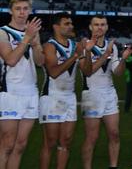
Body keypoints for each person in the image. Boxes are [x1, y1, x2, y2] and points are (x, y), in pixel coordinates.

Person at [39, 13, 92, 169]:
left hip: (69, 97)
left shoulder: (75, 45)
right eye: (67, 23)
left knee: (66, 141)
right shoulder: (50, 46)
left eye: (71, 23)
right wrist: (75, 55)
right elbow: (54, 72)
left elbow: (87, 72)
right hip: (52, 96)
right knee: (50, 142)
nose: (71, 26)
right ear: (56, 27)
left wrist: (86, 52)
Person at [80, 15, 131, 169]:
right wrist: (104, 54)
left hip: (109, 93)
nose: (99, 27)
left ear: (107, 27)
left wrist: (123, 59)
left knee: (114, 134)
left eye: (103, 24)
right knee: (92, 137)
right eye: (96, 24)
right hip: (91, 94)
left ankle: (113, 166)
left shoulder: (112, 47)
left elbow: (117, 73)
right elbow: (87, 71)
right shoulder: (83, 45)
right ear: (90, 27)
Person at [0, 0, 45, 169]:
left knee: (20, 146)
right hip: (10, 92)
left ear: (30, 11)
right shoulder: (3, 32)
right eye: (18, 8)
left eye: (25, 8)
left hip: (30, 92)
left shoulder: (34, 32)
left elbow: (40, 62)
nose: (22, 12)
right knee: (7, 144)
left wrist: (35, 45)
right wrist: (27, 38)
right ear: (11, 11)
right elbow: (10, 60)